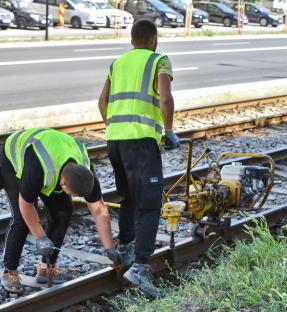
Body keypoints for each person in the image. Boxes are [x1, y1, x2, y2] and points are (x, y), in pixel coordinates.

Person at [98, 19, 180, 298]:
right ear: (153, 40)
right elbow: (166, 100)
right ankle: (141, 267)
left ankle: (126, 247)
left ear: (132, 40)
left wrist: (113, 127)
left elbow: (102, 102)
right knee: (149, 203)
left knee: (128, 198)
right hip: (143, 141)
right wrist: (168, 132)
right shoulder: (159, 60)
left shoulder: (117, 63)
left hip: (115, 141)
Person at [0, 127, 122, 293]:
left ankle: (47, 268)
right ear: (62, 184)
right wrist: (41, 237)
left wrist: (109, 247)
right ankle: (9, 271)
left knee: (63, 211)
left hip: (55, 152)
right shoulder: (38, 169)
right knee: (20, 218)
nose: (73, 196)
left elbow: (99, 210)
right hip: (15, 154)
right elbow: (26, 206)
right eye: (72, 193)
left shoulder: (85, 169)